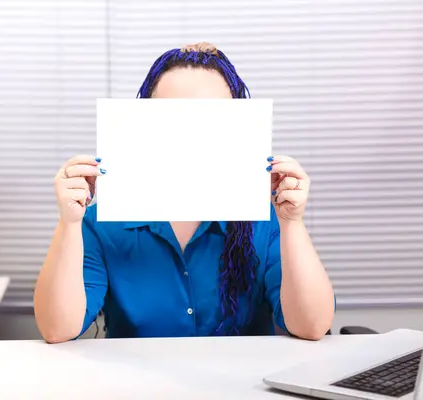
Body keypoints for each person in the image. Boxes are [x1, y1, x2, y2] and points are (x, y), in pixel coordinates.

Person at [34, 42, 335, 343]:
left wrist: (292, 223)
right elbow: (58, 330)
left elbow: (311, 326)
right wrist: (69, 223)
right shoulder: (100, 223)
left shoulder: (265, 221)